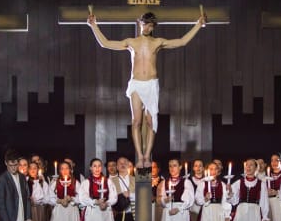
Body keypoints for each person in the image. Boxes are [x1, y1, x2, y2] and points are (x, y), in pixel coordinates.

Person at [87, 11, 207, 168]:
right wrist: (93, 25)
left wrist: (198, 24)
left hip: (151, 84)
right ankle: (140, 157)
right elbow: (105, 43)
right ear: (140, 23)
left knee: (151, 122)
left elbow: (182, 41)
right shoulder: (131, 42)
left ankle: (147, 156)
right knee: (136, 121)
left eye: (151, 26)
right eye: (146, 25)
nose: (148, 28)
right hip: (136, 84)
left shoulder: (157, 42)